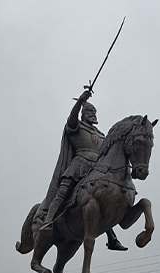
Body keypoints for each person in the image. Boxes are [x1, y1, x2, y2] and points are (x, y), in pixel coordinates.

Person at [40, 89, 127, 251]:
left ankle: (112, 239)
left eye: (93, 112)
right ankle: (48, 221)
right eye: (89, 112)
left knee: (101, 199)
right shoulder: (76, 126)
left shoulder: (101, 134)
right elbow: (72, 118)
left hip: (97, 169)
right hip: (78, 166)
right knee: (63, 192)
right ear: (83, 114)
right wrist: (81, 100)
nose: (92, 114)